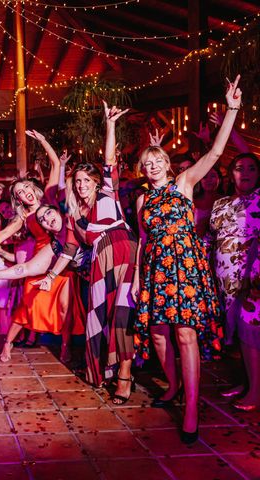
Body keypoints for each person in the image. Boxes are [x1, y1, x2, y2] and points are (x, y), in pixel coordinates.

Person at [132, 76, 241, 444]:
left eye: (157, 160)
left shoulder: (184, 183)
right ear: (143, 170)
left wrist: (233, 109)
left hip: (185, 266)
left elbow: (213, 154)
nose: (152, 166)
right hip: (155, 269)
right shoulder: (142, 201)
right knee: (160, 337)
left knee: (185, 334)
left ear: (166, 162)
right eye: (146, 164)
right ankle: (174, 385)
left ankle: (192, 407)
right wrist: (135, 277)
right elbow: (144, 240)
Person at [34, 102, 137, 405]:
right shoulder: (72, 216)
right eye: (77, 181)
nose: (80, 185)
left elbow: (108, 161)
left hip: (123, 257)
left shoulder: (108, 193)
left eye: (85, 180)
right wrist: (50, 277)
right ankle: (104, 369)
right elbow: (68, 250)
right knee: (100, 318)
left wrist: (110, 125)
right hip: (98, 267)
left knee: (122, 318)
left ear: (95, 181)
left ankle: (125, 377)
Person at [0, 204, 85, 362]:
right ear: (44, 228)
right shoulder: (55, 246)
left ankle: (67, 346)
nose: (47, 219)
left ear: (59, 211)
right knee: (31, 304)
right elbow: (25, 268)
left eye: (49, 212)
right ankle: (9, 342)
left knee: (67, 307)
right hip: (85, 277)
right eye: (42, 220)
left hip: (103, 271)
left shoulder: (76, 223)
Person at [209, 153, 260, 411]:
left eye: (252, 168)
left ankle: (255, 392)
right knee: (238, 336)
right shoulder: (220, 204)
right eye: (240, 168)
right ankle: (246, 382)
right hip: (224, 280)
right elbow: (211, 238)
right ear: (231, 174)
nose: (246, 173)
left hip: (251, 280)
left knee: (251, 333)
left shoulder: (259, 199)